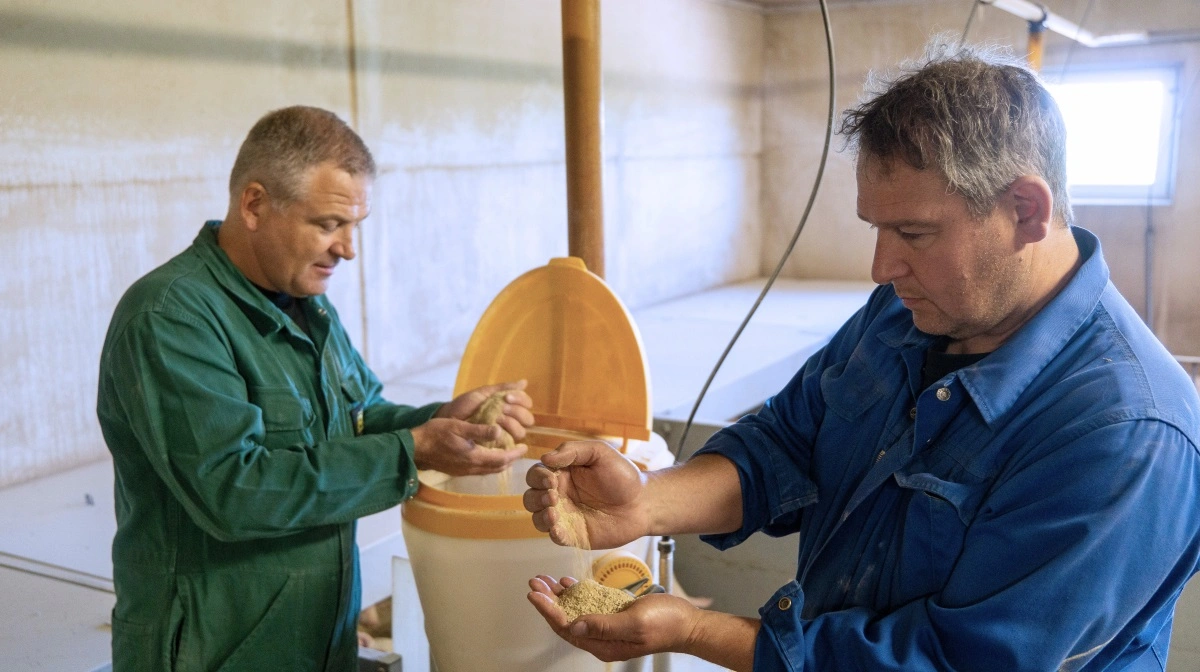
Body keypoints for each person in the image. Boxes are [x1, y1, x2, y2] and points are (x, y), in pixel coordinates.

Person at [524, 40, 1200, 671]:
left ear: (1025, 210)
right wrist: (644, 503)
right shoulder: (908, 312)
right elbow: (787, 443)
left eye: (913, 232)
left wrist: (698, 632)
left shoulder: (1126, 435)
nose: (882, 267)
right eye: (877, 227)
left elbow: (957, 661)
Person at [97, 105, 532, 671]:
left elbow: (360, 416)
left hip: (314, 644)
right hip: (216, 651)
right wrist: (414, 450)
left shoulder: (307, 306)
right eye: (328, 224)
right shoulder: (171, 318)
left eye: (355, 226)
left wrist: (443, 419)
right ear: (254, 205)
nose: (348, 248)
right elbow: (233, 491)